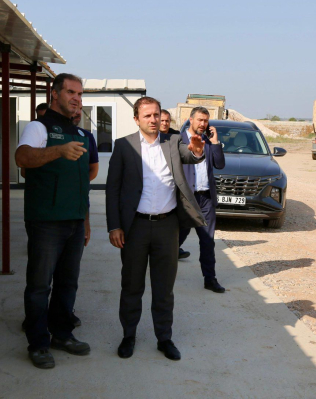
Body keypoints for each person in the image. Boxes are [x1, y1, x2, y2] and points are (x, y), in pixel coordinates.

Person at [106, 96, 207, 361]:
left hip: (167, 227)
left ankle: (164, 338)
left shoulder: (172, 141)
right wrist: (114, 226)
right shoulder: (124, 146)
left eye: (156, 115)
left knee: (164, 288)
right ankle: (129, 336)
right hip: (135, 228)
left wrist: (197, 151)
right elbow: (113, 189)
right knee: (131, 286)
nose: (153, 120)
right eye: (147, 115)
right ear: (136, 119)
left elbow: (190, 155)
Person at [15, 73, 91, 370]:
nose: (77, 99)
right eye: (71, 92)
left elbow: (82, 183)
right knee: (39, 285)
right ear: (55, 93)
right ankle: (38, 343)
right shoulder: (38, 127)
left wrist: (85, 220)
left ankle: (62, 334)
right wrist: (58, 150)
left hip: (74, 221)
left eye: (80, 94)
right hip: (46, 221)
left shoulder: (80, 133)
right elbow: (22, 158)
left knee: (67, 283)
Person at [178, 106, 227, 293]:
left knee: (207, 241)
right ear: (190, 120)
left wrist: (215, 143)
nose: (203, 124)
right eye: (199, 119)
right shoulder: (179, 140)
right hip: (186, 199)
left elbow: (220, 164)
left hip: (206, 198)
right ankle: (162, 269)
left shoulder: (208, 141)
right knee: (176, 238)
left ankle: (210, 279)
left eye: (205, 120)